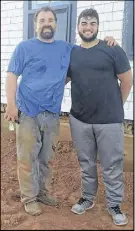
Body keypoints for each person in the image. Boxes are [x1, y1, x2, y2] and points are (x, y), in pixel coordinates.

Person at [5, 6, 117, 216]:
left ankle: (43, 192)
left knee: (46, 157)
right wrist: (11, 104)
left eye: (50, 20)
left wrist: (108, 41)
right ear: (35, 24)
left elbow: (88, 47)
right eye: (42, 20)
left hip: (52, 114)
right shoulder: (24, 47)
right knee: (27, 157)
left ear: (56, 24)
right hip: (27, 111)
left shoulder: (66, 48)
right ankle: (29, 197)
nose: (46, 23)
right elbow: (12, 75)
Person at [67, 8, 133, 226]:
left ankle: (114, 204)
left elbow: (126, 80)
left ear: (98, 26)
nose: (88, 27)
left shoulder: (111, 49)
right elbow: (62, 79)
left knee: (111, 164)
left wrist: (116, 105)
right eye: (84, 23)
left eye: (92, 23)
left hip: (109, 120)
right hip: (79, 119)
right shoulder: (72, 53)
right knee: (86, 162)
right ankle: (88, 198)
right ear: (78, 27)